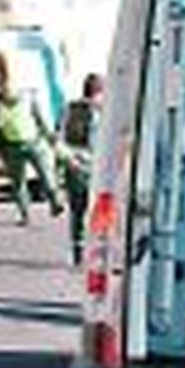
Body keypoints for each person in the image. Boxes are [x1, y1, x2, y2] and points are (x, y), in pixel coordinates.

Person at [0, 84, 63, 226]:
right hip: (12, 147)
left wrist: (49, 137)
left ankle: (55, 202)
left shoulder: (27, 101)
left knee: (46, 174)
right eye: (5, 93)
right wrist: (0, 150)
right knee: (18, 183)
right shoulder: (0, 107)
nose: (8, 96)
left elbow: (40, 120)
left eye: (10, 92)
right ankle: (24, 214)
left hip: (33, 142)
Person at [60, 73, 104, 265]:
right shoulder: (104, 110)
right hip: (96, 164)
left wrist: (68, 158)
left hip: (75, 163)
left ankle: (79, 250)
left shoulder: (70, 108)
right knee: (99, 209)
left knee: (78, 211)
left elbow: (59, 135)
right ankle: (96, 251)